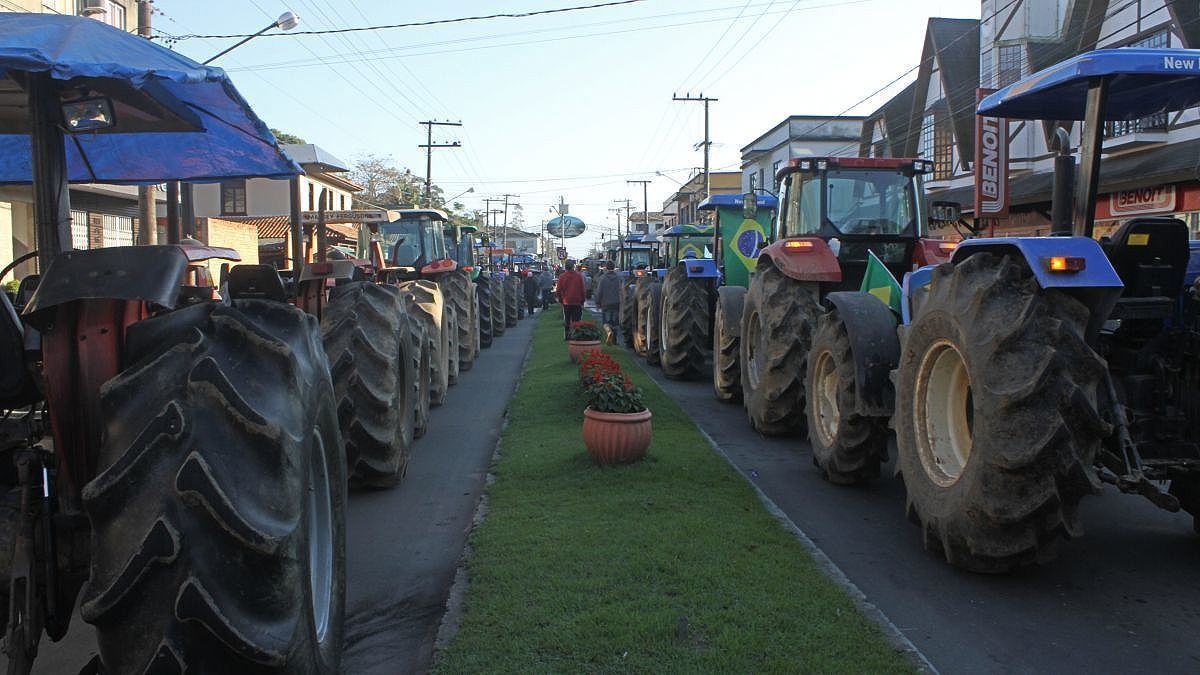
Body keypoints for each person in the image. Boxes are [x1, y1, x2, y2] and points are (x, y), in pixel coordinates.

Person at [593, 261, 623, 345]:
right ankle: (614, 340)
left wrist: (597, 302)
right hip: (616, 303)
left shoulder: (602, 278)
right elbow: (622, 290)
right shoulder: (618, 278)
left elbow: (599, 292)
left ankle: (609, 332)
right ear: (614, 267)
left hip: (606, 303)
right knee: (615, 322)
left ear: (606, 267)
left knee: (606, 322)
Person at [556, 260, 586, 339]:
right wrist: (582, 300)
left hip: (566, 301)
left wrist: (560, 299)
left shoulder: (562, 276)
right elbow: (582, 289)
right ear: (573, 266)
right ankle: (577, 335)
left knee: (567, 320)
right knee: (577, 320)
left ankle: (567, 335)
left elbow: (558, 290)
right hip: (577, 301)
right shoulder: (578, 276)